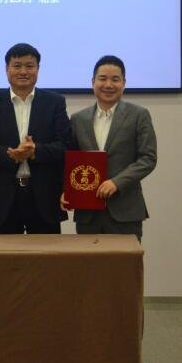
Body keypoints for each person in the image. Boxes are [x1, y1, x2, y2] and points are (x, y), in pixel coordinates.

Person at [0, 43, 70, 234]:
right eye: (17, 66)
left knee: (47, 253)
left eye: (29, 66)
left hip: (44, 196)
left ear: (38, 69)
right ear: (7, 69)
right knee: (1, 253)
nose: (23, 71)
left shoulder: (55, 102)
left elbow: (65, 145)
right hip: (2, 198)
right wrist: (12, 154)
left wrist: (35, 152)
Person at [61, 55, 157, 240]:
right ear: (93, 82)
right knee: (88, 259)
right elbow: (70, 161)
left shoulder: (139, 115)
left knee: (125, 260)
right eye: (102, 78)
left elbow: (148, 158)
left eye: (115, 79)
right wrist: (67, 190)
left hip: (125, 210)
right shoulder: (78, 119)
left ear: (124, 83)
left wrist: (116, 183)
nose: (108, 85)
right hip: (87, 213)